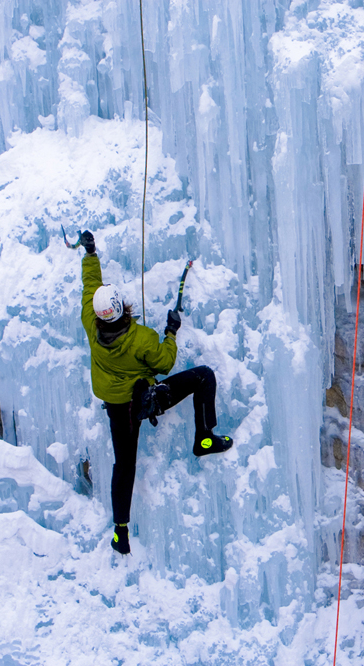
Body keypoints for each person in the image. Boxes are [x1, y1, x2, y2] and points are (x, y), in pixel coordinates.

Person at [78, 230, 232, 555]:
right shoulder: (140, 338)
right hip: (144, 402)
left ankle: (121, 533)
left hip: (117, 407)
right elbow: (164, 362)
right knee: (203, 376)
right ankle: (205, 438)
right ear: (122, 308)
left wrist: (90, 253)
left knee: (124, 465)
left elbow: (89, 286)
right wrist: (171, 331)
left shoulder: (91, 325)